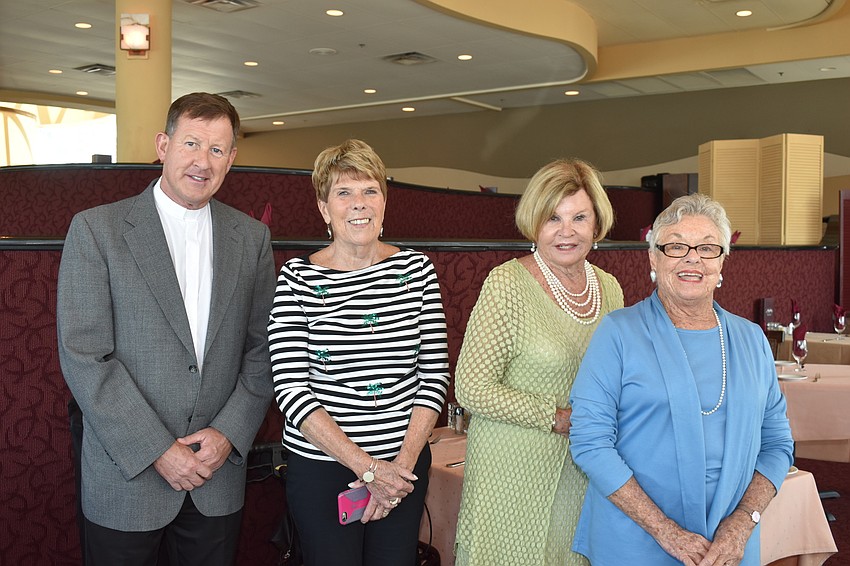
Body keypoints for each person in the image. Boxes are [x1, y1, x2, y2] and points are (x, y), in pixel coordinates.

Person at [57, 92, 276, 566]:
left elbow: (263, 351)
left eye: (217, 150)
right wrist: (158, 450)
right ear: (163, 145)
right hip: (126, 478)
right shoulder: (97, 230)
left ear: (232, 159)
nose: (203, 161)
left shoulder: (252, 239)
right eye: (192, 144)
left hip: (216, 477)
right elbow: (85, 358)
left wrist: (228, 435)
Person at [569, 193, 794, 565]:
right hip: (637, 540)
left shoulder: (752, 339)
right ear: (653, 258)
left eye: (708, 248)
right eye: (676, 246)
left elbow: (777, 445)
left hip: (729, 548)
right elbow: (590, 443)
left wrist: (742, 523)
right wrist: (665, 531)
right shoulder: (618, 333)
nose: (693, 258)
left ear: (722, 262)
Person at [268, 139, 450, 566]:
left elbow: (435, 376)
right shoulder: (297, 278)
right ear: (323, 208)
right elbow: (291, 391)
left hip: (404, 466)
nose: (359, 204)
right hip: (324, 469)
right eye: (343, 193)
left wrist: (397, 472)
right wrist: (368, 470)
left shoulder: (417, 271)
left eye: (370, 190)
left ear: (385, 202)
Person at [453, 158, 624, 565]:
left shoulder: (611, 289)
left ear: (596, 225)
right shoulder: (507, 285)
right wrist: (557, 417)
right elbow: (471, 387)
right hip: (511, 474)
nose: (567, 231)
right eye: (553, 218)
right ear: (534, 223)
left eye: (579, 217)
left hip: (584, 472)